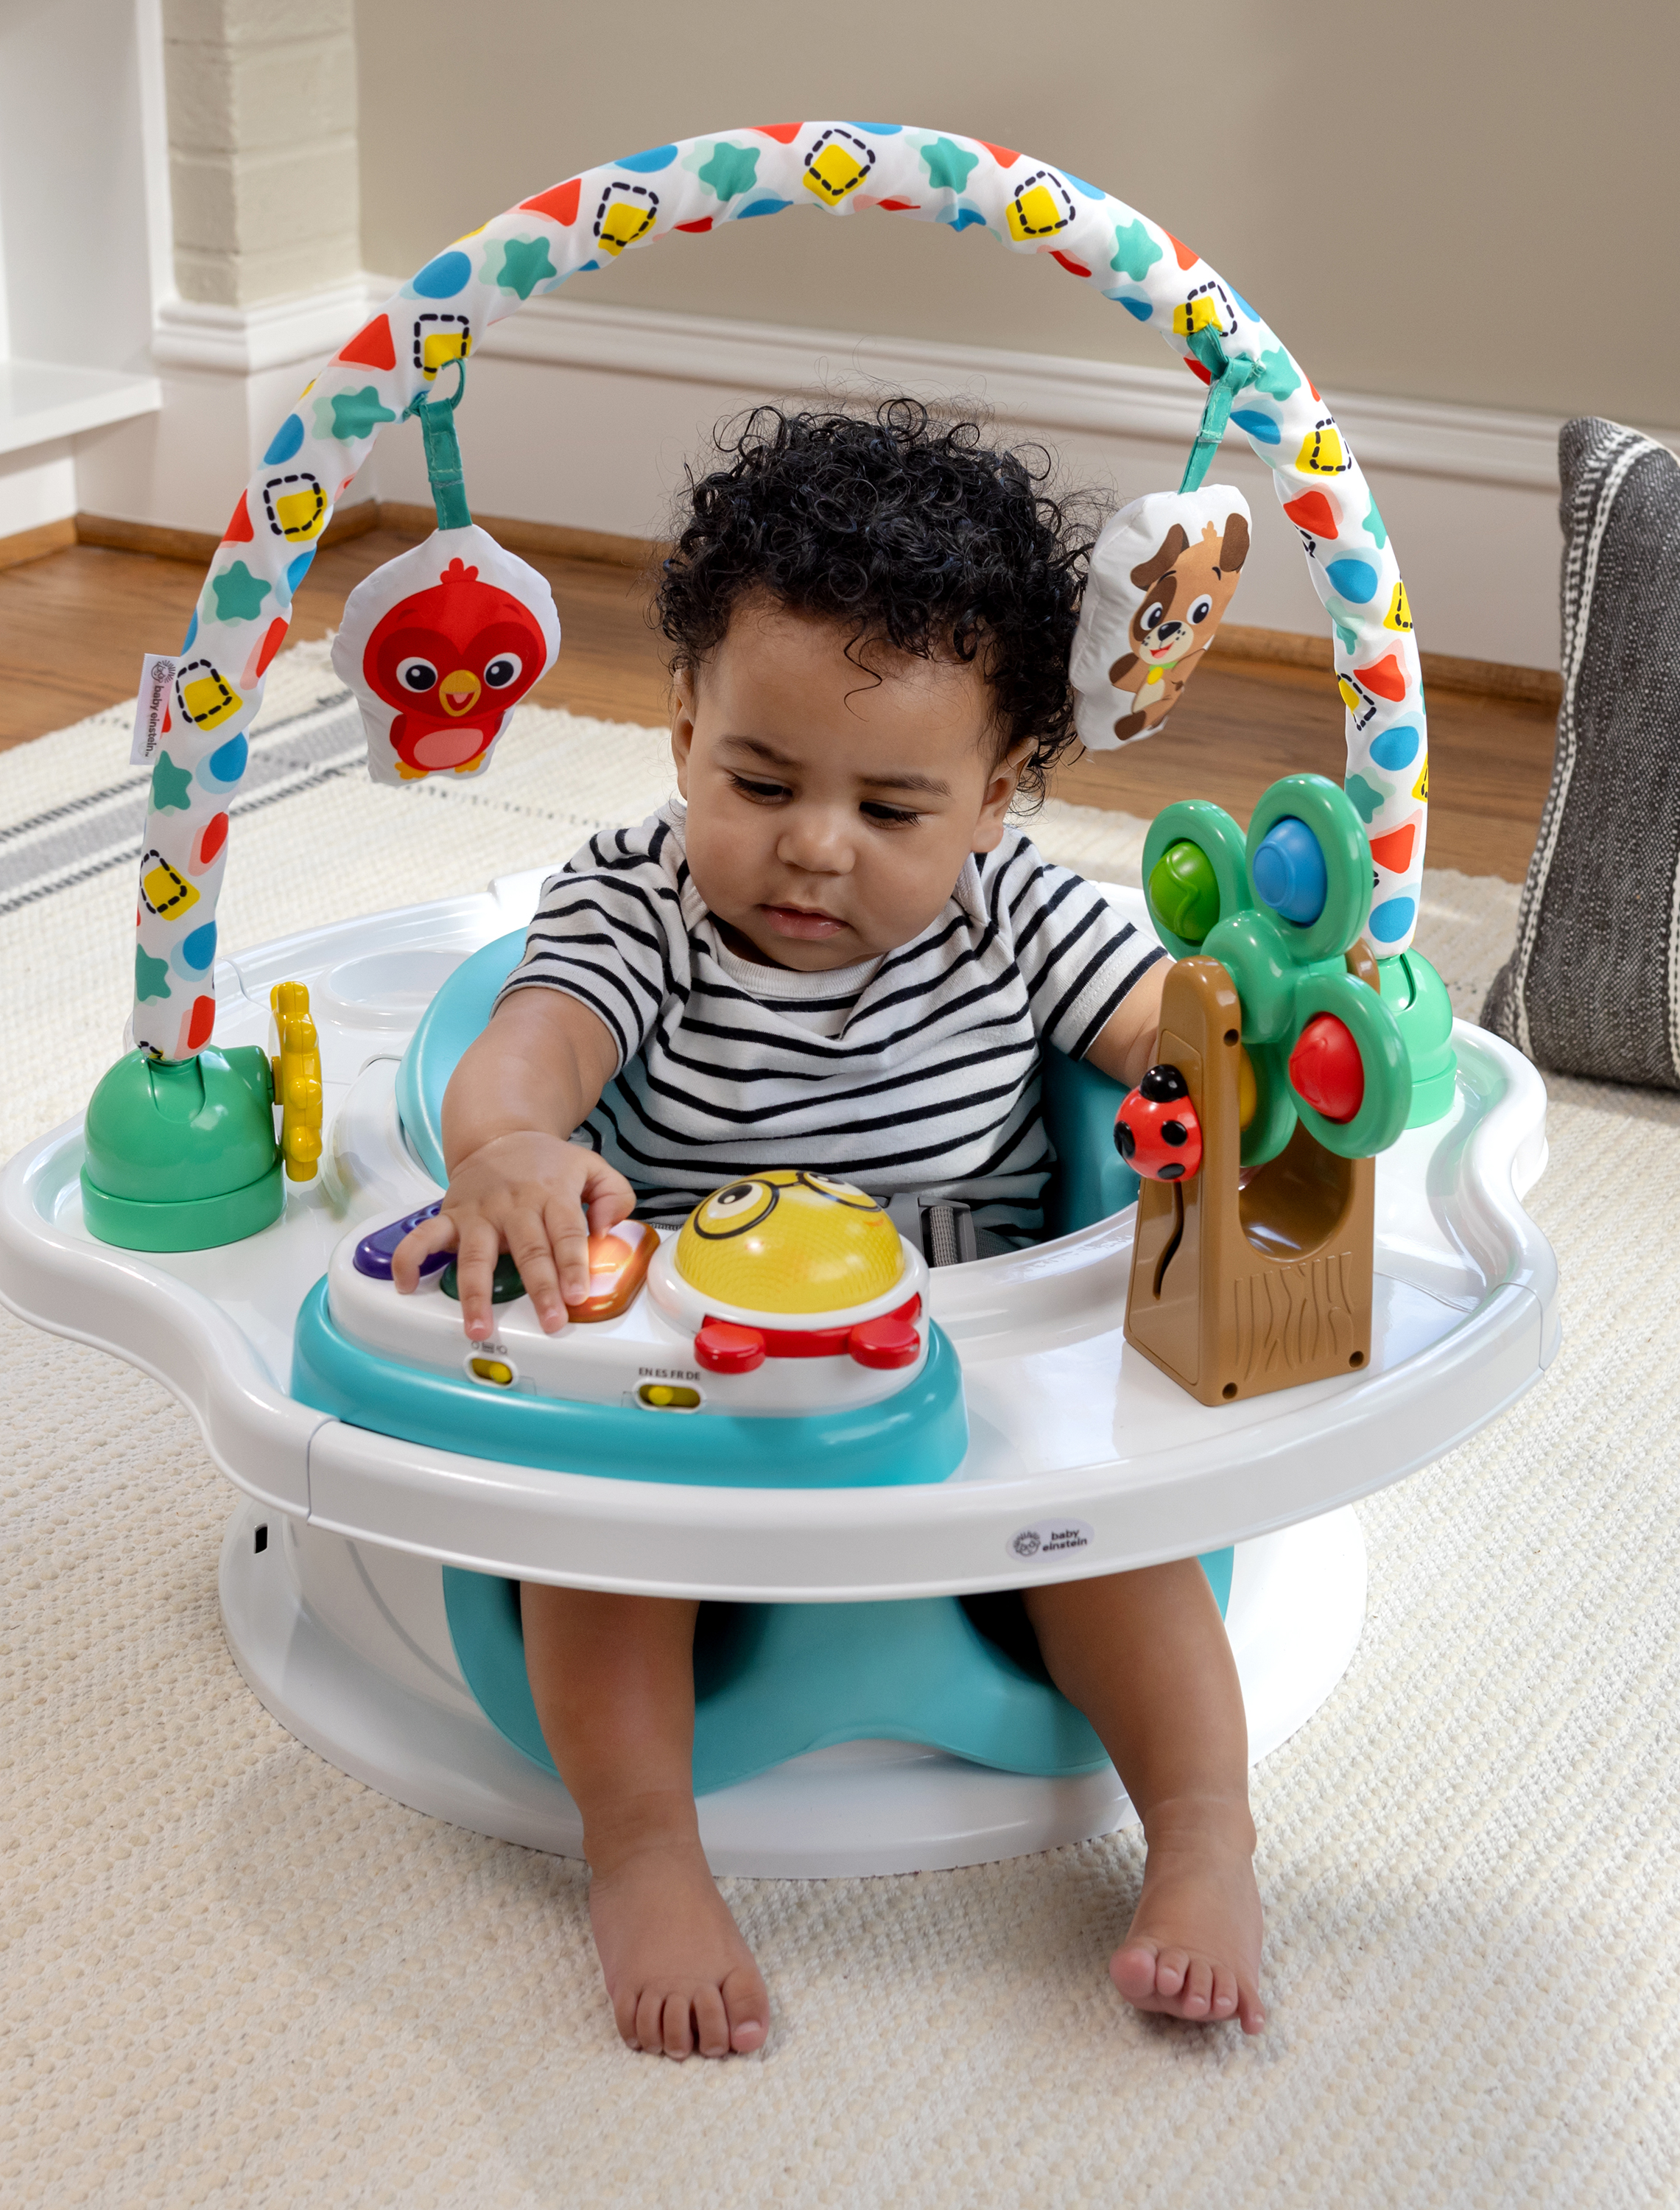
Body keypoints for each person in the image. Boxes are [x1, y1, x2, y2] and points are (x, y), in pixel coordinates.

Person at [391, 402, 1265, 2057]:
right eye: (761, 779)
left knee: (1121, 1537)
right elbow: (534, 1043)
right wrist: (509, 1143)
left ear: (994, 796)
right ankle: (644, 1849)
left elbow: (1171, 1033)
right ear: (681, 732)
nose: (811, 844)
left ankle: (1206, 1837)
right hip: (699, 1372)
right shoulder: (638, 902)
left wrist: (1256, 1063)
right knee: (598, 1548)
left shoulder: (1020, 913)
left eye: (891, 809)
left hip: (976, 1361)